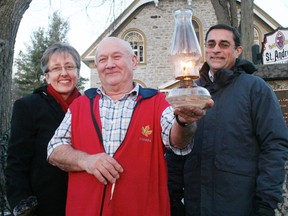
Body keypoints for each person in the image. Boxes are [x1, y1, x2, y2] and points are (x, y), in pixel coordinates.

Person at [46, 36, 213, 216]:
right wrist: (86, 161)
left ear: (133, 61)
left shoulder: (157, 103)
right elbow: (54, 149)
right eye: (102, 59)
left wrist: (184, 121)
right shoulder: (81, 104)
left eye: (116, 57)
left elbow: (178, 142)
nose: (109, 64)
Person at [181, 24, 288, 216]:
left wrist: (265, 204)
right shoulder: (191, 92)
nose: (216, 50)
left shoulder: (255, 89)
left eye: (224, 44)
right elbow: (177, 148)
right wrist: (173, 198)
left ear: (237, 51)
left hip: (239, 204)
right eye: (211, 44)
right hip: (195, 204)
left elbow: (274, 146)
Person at [5, 42, 81, 216]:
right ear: (47, 76)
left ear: (77, 72)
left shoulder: (90, 107)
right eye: (56, 68)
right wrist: (23, 203)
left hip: (83, 202)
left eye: (69, 66)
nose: (63, 73)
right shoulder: (28, 107)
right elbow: (17, 161)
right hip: (44, 205)